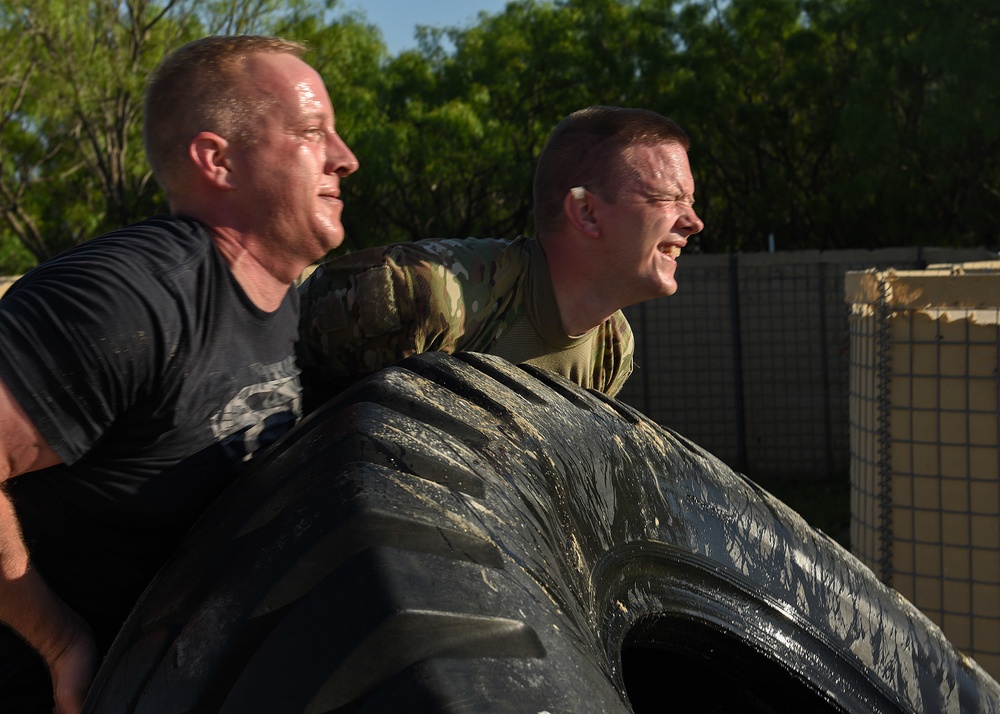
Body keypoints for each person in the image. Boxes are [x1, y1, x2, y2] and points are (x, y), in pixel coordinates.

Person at [0, 35, 358, 713]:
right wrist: (62, 644)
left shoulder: (291, 306)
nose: (346, 158)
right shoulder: (127, 298)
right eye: (313, 132)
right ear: (217, 159)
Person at [297, 105, 704, 408]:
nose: (694, 222)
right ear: (586, 213)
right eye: (668, 199)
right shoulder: (427, 294)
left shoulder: (612, 350)